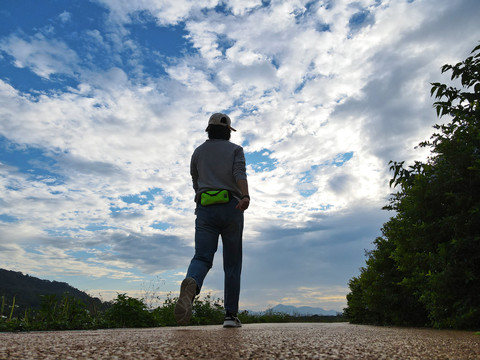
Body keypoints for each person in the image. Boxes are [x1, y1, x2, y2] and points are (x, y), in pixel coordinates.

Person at [174, 112, 250, 328]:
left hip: (205, 208)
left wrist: (203, 196)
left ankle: (193, 283)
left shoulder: (198, 152)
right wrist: (245, 196)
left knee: (202, 257)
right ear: (228, 131)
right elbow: (239, 173)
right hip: (231, 206)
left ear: (208, 130)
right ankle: (230, 315)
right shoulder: (235, 150)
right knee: (232, 262)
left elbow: (195, 181)